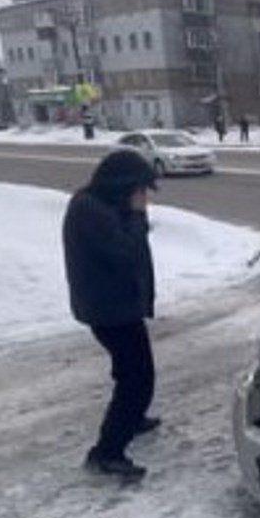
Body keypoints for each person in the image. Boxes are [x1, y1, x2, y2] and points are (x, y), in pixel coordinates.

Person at [62, 149, 161, 481]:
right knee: (138, 380)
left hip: (117, 306)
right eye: (139, 189)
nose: (143, 196)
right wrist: (137, 217)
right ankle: (107, 452)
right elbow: (125, 254)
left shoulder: (102, 205)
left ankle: (132, 420)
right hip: (110, 310)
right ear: (122, 185)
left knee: (127, 371)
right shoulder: (91, 210)